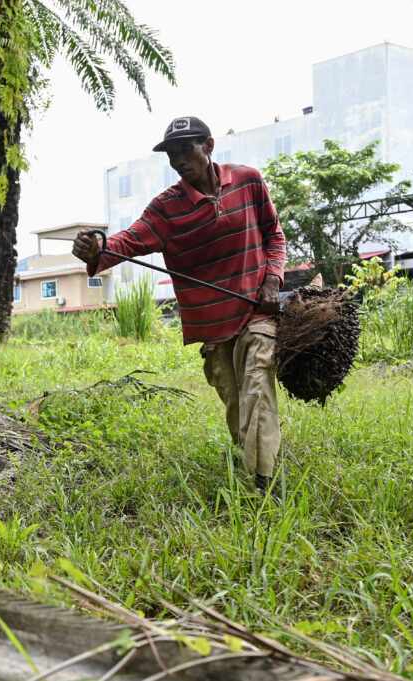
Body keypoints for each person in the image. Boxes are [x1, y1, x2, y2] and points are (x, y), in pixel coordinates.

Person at [72, 116, 286, 491]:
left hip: (256, 312)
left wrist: (272, 278)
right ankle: (255, 458)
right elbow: (129, 241)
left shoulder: (249, 181)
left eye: (186, 149)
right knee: (238, 409)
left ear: (209, 146)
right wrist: (96, 247)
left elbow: (274, 234)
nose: (178, 159)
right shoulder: (167, 209)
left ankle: (262, 483)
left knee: (258, 385)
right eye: (171, 153)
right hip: (214, 329)